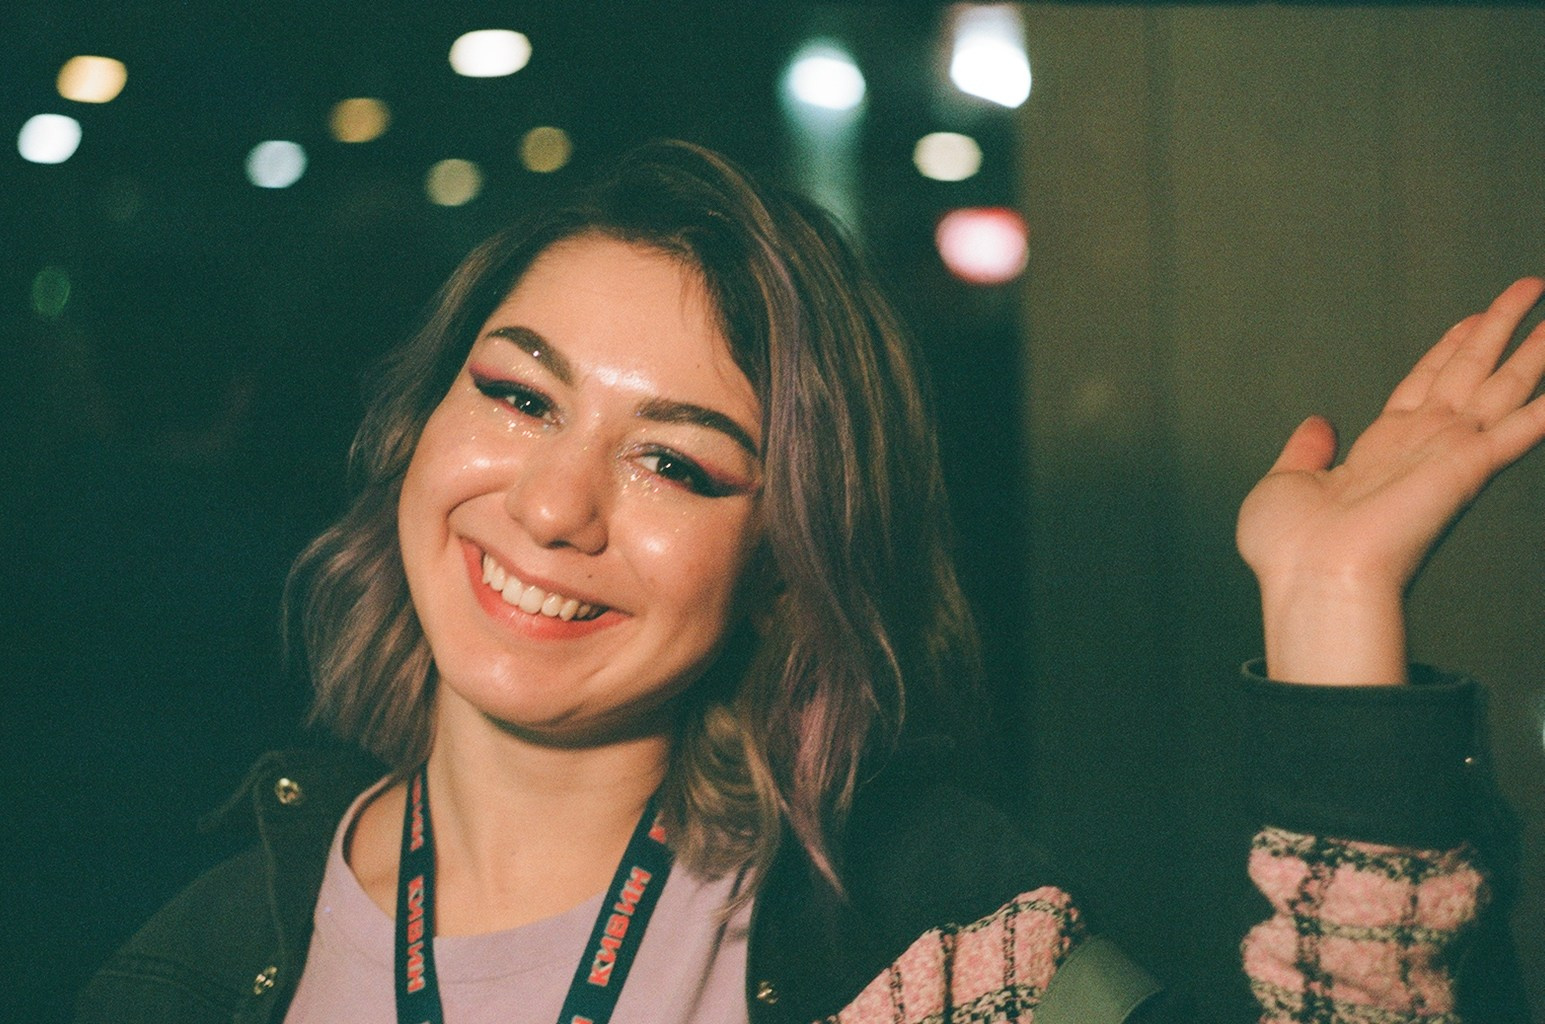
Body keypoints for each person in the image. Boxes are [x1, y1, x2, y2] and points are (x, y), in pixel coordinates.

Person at [75, 140, 1543, 1023]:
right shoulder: (192, 969)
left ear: (788, 567)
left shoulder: (927, 943)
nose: (552, 506)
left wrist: (1333, 601)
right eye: (519, 397)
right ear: (417, 427)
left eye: (676, 463)